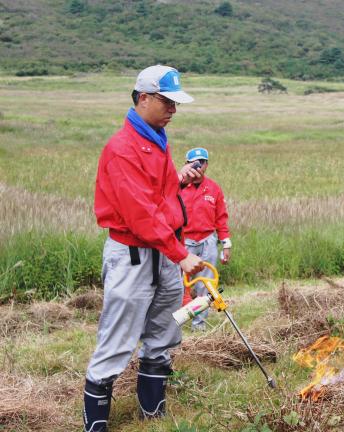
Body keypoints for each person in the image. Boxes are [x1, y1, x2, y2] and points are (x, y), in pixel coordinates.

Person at [83, 65, 205, 432]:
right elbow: (139, 215)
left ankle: (152, 415)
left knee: (163, 333)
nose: (173, 109)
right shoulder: (122, 148)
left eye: (175, 103)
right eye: (166, 102)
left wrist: (178, 178)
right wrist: (181, 254)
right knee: (118, 340)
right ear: (144, 98)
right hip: (134, 254)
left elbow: (158, 195)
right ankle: (96, 427)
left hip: (162, 253)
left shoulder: (156, 138)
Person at [180, 147, 232, 331]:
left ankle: (198, 326)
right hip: (183, 243)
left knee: (206, 286)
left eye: (202, 162)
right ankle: (176, 323)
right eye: (194, 162)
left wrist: (226, 244)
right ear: (186, 164)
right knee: (179, 286)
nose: (199, 166)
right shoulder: (177, 187)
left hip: (208, 242)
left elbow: (221, 219)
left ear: (207, 164)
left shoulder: (214, 189)